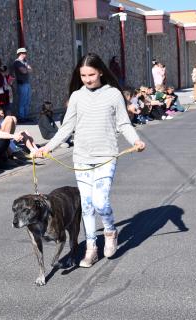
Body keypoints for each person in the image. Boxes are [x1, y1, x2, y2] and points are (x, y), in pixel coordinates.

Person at [35, 53, 145, 268]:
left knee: (100, 202)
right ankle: (91, 249)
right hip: (82, 157)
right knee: (86, 206)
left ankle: (110, 231)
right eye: (83, 75)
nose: (87, 79)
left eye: (91, 74)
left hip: (106, 156)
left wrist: (136, 140)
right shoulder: (76, 96)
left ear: (101, 71)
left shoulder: (113, 94)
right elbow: (67, 127)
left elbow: (123, 123)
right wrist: (46, 148)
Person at [13, 48, 32, 122]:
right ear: (20, 53)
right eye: (24, 53)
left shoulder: (25, 61)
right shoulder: (17, 62)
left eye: (26, 53)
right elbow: (23, 71)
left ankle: (26, 116)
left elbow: (31, 70)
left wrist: (26, 69)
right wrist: (26, 69)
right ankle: (21, 117)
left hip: (27, 83)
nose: (25, 54)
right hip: (22, 84)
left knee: (27, 100)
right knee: (22, 101)